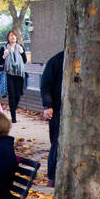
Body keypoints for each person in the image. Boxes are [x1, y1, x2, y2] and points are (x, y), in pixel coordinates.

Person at [40, 48, 64, 185]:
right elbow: (45, 85)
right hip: (58, 109)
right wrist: (48, 106)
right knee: (56, 142)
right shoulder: (56, 60)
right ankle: (52, 177)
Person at [0, 30, 27, 124]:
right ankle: (13, 117)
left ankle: (13, 108)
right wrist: (4, 56)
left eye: (14, 36)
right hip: (8, 74)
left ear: (16, 38)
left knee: (18, 95)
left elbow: (25, 61)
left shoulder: (20, 47)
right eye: (11, 36)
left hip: (19, 75)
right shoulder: (4, 48)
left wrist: (22, 53)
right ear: (8, 38)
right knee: (12, 96)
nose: (13, 37)